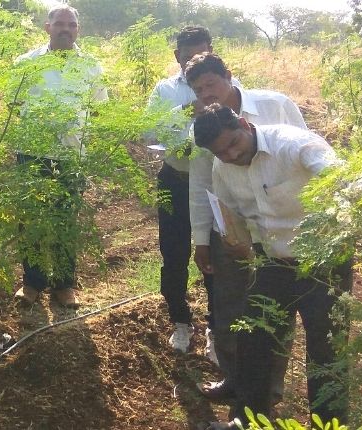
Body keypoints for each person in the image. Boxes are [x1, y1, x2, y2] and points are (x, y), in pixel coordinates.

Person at [192, 104, 350, 429]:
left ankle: (329, 425)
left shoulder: (293, 144)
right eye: (221, 153)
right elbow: (230, 215)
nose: (231, 155)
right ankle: (248, 420)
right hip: (272, 263)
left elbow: (340, 177)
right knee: (255, 340)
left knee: (326, 351)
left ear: (245, 125)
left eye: (233, 143)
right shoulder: (223, 167)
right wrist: (236, 241)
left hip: (325, 262)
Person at [185, 53, 307, 405]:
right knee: (228, 310)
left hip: (290, 234)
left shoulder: (276, 105)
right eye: (198, 89)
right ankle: (235, 381)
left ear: (228, 76)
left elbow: (310, 157)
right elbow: (200, 184)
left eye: (211, 84)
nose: (206, 94)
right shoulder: (201, 127)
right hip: (234, 232)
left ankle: (267, 391)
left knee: (273, 318)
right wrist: (201, 238)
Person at [147, 26, 241, 359]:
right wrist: (187, 113)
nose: (193, 63)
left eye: (200, 54)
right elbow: (149, 132)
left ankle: (216, 329)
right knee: (173, 254)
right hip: (175, 177)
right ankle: (180, 322)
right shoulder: (165, 90)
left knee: (216, 255)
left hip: (217, 184)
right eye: (187, 57)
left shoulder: (229, 88)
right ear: (177, 56)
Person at [12, 5, 107, 309]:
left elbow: (98, 110)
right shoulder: (26, 63)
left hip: (71, 156)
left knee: (67, 220)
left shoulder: (91, 67)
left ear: (78, 29)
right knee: (31, 222)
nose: (66, 29)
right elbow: (15, 105)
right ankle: (32, 283)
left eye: (72, 25)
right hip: (32, 154)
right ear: (47, 27)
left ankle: (64, 285)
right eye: (60, 24)